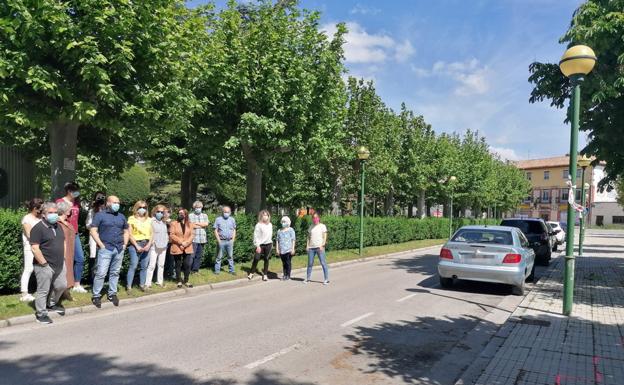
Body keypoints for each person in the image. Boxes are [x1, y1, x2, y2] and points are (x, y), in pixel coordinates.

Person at [29, 202, 67, 324]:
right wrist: (44, 264)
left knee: (61, 285)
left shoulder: (58, 226)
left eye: (55, 212)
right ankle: (41, 314)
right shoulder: (38, 228)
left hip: (60, 263)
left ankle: (51, 304)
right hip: (44, 265)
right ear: (44, 215)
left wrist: (64, 257)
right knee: (43, 290)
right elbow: (35, 248)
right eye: (50, 213)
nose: (54, 215)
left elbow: (63, 242)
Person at [90, 196, 129, 308]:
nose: (117, 204)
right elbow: (93, 230)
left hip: (119, 248)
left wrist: (125, 244)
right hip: (106, 248)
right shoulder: (100, 215)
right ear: (108, 203)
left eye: (118, 202)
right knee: (101, 273)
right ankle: (96, 295)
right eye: (114, 202)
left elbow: (126, 231)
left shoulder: (121, 216)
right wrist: (101, 245)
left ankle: (112, 293)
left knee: (115, 272)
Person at [56, 181, 86, 293]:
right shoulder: (60, 202)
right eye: (75, 191)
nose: (77, 193)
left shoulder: (76, 203)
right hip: (64, 233)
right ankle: (65, 284)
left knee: (80, 258)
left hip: (75, 233)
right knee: (65, 259)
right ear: (69, 191)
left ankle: (77, 284)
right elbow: (57, 216)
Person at [19, 198, 43, 302]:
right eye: (40, 208)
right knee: (28, 268)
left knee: (42, 269)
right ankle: (24, 294)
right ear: (34, 208)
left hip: (41, 246)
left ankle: (42, 291)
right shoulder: (26, 219)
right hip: (30, 246)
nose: (41, 210)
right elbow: (29, 234)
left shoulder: (40, 218)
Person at [127, 200, 153, 292]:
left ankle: (142, 285)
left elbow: (152, 234)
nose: (142, 209)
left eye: (144, 207)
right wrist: (136, 246)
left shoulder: (150, 220)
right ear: (136, 208)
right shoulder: (131, 219)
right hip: (135, 244)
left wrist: (149, 245)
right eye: (140, 207)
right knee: (133, 265)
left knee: (144, 266)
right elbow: (129, 234)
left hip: (147, 244)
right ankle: (129, 287)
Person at [169, 208, 194, 288]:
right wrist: (181, 242)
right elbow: (172, 235)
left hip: (187, 246)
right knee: (178, 264)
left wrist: (186, 243)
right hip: (177, 246)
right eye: (179, 213)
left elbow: (192, 235)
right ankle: (179, 281)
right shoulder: (174, 223)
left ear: (186, 214)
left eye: (182, 213)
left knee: (187, 264)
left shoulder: (190, 224)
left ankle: (186, 280)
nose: (180, 214)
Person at [146, 204, 168, 288]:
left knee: (161, 265)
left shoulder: (164, 222)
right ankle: (148, 283)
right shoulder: (151, 221)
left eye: (162, 212)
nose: (160, 213)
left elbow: (165, 233)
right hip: (154, 246)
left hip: (163, 246)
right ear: (155, 212)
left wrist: (166, 241)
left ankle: (160, 281)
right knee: (151, 265)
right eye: (158, 211)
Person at [56, 201, 76, 300]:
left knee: (68, 271)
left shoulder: (66, 222)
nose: (70, 210)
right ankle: (58, 295)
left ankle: (66, 293)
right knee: (62, 273)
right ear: (65, 211)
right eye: (69, 209)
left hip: (69, 251)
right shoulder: (57, 223)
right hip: (61, 251)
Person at [86, 191, 106, 280]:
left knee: (103, 256)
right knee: (93, 255)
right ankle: (92, 278)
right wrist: (95, 227)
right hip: (94, 236)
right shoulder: (92, 211)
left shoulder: (106, 210)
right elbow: (88, 224)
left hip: (104, 235)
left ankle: (102, 277)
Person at [304, 213, 329, 285]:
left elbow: (325, 236)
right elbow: (308, 237)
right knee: (310, 263)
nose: (315, 219)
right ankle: (308, 278)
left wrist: (322, 245)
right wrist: (307, 246)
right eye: (313, 218)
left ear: (319, 218)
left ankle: (326, 279)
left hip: (319, 247)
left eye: (316, 217)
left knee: (323, 263)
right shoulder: (311, 226)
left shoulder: (322, 226)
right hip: (311, 248)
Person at [248, 210, 273, 281]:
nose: (265, 217)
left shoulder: (270, 225)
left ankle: (265, 274)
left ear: (268, 216)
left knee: (266, 259)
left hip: (268, 244)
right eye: (264, 215)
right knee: (256, 258)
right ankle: (251, 272)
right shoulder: (258, 225)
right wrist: (257, 245)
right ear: (261, 216)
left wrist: (271, 244)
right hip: (260, 245)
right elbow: (256, 236)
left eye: (266, 215)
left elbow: (269, 235)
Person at [213, 206, 236, 275]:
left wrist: (233, 239)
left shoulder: (232, 219)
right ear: (222, 212)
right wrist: (218, 240)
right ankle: (217, 271)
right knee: (219, 257)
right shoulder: (218, 219)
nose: (226, 213)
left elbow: (234, 229)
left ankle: (232, 270)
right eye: (225, 212)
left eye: (228, 212)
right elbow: (215, 230)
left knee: (230, 256)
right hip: (221, 241)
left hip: (229, 241)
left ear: (230, 212)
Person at [189, 201, 209, 273]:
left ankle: (195, 270)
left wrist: (197, 224)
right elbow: (191, 225)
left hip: (202, 239)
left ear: (201, 207)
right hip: (193, 238)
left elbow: (206, 224)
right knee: (192, 255)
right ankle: (189, 269)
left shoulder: (205, 215)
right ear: (194, 208)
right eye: (196, 207)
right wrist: (201, 225)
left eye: (199, 207)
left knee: (199, 256)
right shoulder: (190, 215)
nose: (198, 209)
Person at [276, 216, 296, 281]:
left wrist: (293, 248)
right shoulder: (279, 231)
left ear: (288, 222)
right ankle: (284, 275)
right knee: (284, 263)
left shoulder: (291, 230)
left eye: (284, 222)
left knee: (288, 262)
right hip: (282, 250)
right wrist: (277, 249)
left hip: (288, 250)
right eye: (282, 222)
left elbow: (293, 239)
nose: (283, 223)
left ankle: (288, 275)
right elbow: (277, 240)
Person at [163, 207, 175, 280]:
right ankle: (163, 274)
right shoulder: (160, 221)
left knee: (171, 259)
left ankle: (171, 273)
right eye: (164, 212)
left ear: (170, 213)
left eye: (167, 212)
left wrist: (168, 223)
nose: (165, 214)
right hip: (162, 243)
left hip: (170, 242)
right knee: (163, 259)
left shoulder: (173, 221)